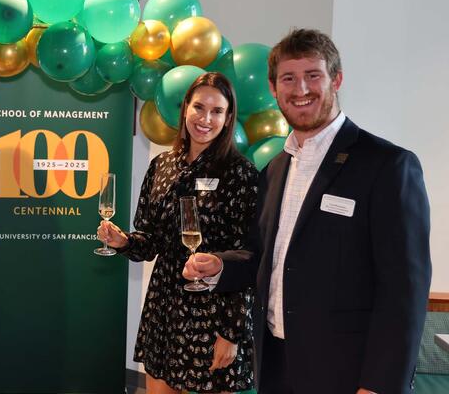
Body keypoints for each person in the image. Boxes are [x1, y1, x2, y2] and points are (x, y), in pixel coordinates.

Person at [184, 29, 432, 394]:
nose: (300, 90)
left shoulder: (388, 165)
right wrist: (222, 266)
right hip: (275, 365)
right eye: (288, 78)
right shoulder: (276, 168)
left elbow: (404, 291)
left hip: (347, 374)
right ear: (273, 89)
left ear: (337, 79)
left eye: (312, 75)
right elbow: (261, 256)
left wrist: (380, 384)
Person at [99, 72, 258, 394]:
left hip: (213, 313)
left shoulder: (240, 173)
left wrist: (231, 332)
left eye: (217, 111)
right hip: (164, 307)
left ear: (228, 119)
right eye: (199, 107)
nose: (205, 119)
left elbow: (250, 258)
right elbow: (151, 241)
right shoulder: (162, 165)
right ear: (185, 108)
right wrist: (125, 242)